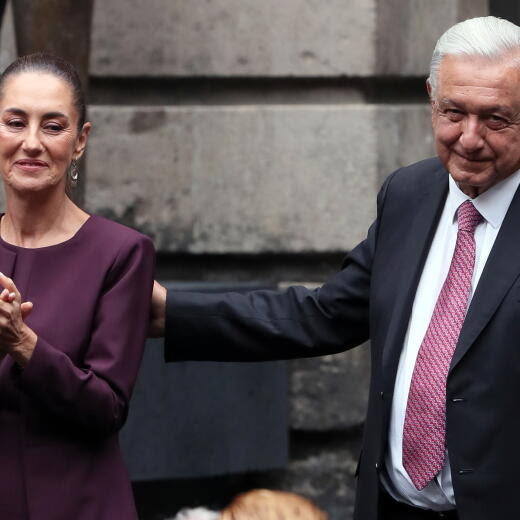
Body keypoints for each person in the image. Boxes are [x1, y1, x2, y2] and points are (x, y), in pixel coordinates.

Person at [150, 15, 520, 520]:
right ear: (431, 98)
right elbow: (323, 315)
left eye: (496, 119)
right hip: (390, 506)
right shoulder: (409, 194)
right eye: (453, 112)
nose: (469, 138)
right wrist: (172, 313)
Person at [0, 53, 155, 519]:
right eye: (14, 122)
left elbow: (107, 408)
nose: (31, 143)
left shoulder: (120, 252)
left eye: (53, 126)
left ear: (80, 141)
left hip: (77, 505)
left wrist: (22, 343)